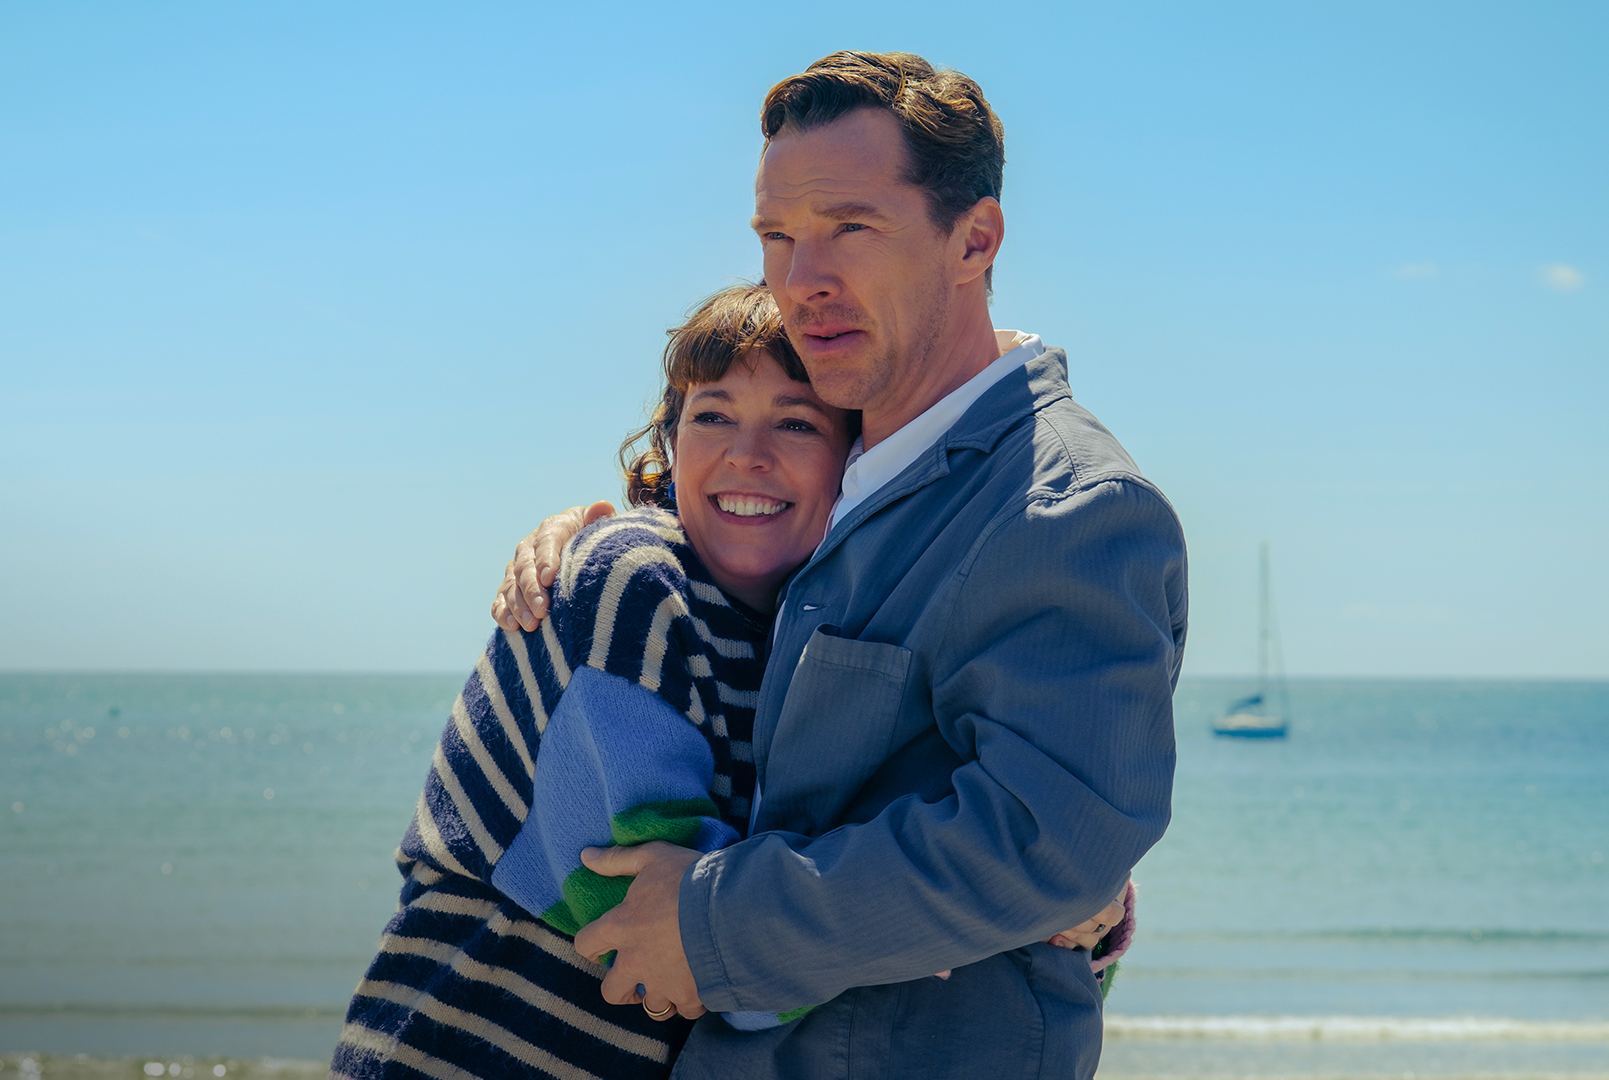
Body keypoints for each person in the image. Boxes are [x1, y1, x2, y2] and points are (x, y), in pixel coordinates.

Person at [491, 52, 1186, 1079]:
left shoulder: (1067, 507)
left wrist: (712, 927)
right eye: (776, 237)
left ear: (974, 240)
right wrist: (612, 533)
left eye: (850, 227)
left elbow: (1048, 838)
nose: (802, 280)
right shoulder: (850, 460)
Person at [332, 285, 1131, 1080]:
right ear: (670, 441)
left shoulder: (816, 634)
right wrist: (973, 912)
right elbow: (658, 933)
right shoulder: (632, 582)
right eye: (711, 415)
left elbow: (904, 812)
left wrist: (1065, 884)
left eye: (796, 422)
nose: (747, 454)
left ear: (858, 464)